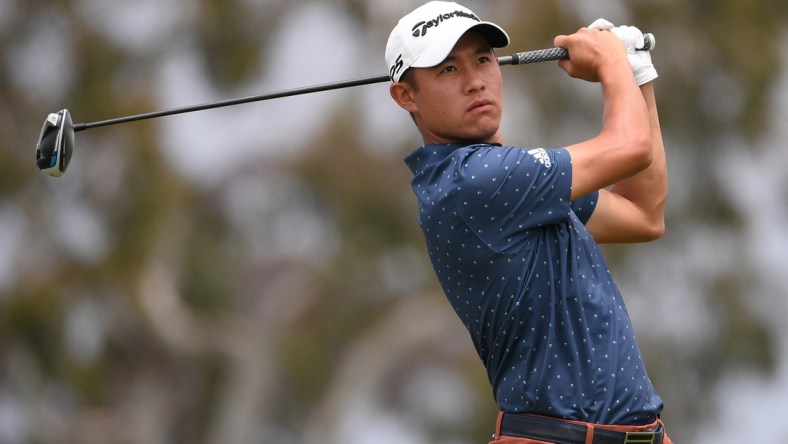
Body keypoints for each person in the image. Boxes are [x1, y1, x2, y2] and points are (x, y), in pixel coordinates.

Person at [386, 2, 672, 443]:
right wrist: (613, 61)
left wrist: (638, 75)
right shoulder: (471, 181)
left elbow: (643, 215)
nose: (474, 80)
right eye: (447, 70)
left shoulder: (514, 182)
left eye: (482, 59)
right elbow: (630, 146)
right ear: (406, 95)